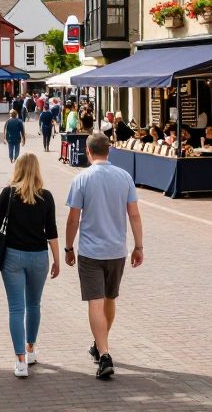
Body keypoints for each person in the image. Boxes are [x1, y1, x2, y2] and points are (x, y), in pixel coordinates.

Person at [64, 132, 143, 381]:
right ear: (109, 151)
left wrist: (68, 248)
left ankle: (105, 353)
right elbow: (134, 214)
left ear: (88, 152)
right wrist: (139, 246)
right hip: (117, 250)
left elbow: (73, 218)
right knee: (110, 299)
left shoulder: (82, 178)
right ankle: (100, 344)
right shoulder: (124, 176)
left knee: (95, 303)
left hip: (90, 251)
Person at [0, 153, 60, 378]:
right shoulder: (46, 197)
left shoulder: (8, 193)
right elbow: (51, 232)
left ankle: (20, 361)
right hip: (39, 255)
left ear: (17, 169)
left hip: (12, 255)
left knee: (16, 308)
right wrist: (57, 259)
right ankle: (30, 348)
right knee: (34, 304)